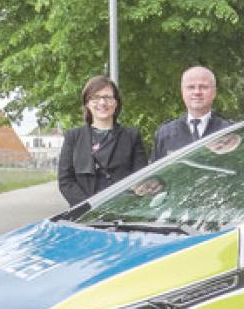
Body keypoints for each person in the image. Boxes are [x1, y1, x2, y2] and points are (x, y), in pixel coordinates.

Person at [58, 75, 147, 206]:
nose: (102, 103)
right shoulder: (73, 137)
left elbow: (140, 177)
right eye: (95, 98)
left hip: (124, 212)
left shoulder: (132, 136)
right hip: (85, 215)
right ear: (87, 103)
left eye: (108, 97)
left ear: (116, 103)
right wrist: (89, 207)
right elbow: (65, 181)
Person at [151, 66, 231, 161]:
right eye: (191, 87)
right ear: (182, 92)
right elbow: (156, 174)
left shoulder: (229, 131)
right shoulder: (165, 134)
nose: (197, 92)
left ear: (214, 92)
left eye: (203, 87)